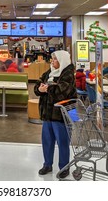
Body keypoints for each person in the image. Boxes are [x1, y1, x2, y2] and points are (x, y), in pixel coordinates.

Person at [34, 50, 77, 179]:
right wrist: (40, 89)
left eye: (55, 59)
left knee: (63, 141)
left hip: (61, 115)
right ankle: (47, 164)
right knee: (47, 140)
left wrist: (47, 88)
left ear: (62, 60)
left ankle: (64, 167)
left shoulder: (68, 74)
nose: (52, 61)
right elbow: (38, 85)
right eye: (52, 59)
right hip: (47, 114)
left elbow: (61, 92)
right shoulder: (49, 72)